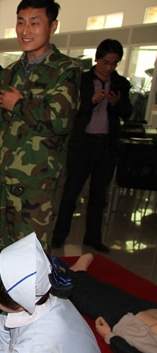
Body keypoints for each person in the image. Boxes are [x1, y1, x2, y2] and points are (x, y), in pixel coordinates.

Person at [0, 0, 81, 254]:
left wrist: (19, 104)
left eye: (34, 23)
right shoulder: (9, 73)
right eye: (21, 22)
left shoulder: (65, 71)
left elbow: (60, 121)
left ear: (53, 26)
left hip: (34, 190)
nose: (25, 30)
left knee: (28, 261)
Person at [52, 39, 132, 254]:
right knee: (71, 193)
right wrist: (91, 101)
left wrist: (115, 103)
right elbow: (70, 110)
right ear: (97, 59)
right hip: (82, 144)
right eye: (106, 62)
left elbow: (127, 112)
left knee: (99, 195)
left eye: (114, 64)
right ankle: (59, 236)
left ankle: (93, 237)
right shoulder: (82, 80)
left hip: (106, 145)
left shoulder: (120, 83)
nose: (109, 68)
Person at [66, 253, 157, 353]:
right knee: (114, 294)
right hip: (147, 311)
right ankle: (77, 275)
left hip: (130, 325)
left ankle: (72, 277)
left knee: (86, 298)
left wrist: (110, 337)